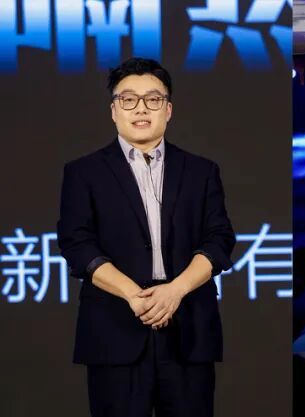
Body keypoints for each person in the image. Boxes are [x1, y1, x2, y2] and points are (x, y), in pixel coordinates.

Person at [58, 57, 236, 417]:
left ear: (168, 110)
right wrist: (133, 295)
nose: (141, 108)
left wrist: (175, 291)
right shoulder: (84, 172)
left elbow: (219, 239)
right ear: (113, 110)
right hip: (115, 328)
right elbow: (76, 243)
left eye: (153, 99)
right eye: (128, 99)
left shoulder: (201, 171)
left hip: (188, 328)